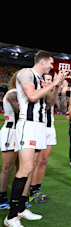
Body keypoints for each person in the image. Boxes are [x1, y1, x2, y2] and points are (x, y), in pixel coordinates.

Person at [4, 51, 66, 227]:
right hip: (28, 125)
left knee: (31, 169)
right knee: (25, 168)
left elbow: (50, 103)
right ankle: (11, 216)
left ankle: (22, 209)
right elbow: (31, 96)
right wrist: (53, 82)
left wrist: (56, 86)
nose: (52, 67)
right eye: (51, 63)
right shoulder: (26, 73)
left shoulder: (41, 79)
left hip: (40, 126)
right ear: (43, 61)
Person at [29, 73, 68, 203]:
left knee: (44, 160)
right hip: (39, 127)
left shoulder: (52, 92)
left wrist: (62, 91)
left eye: (51, 79)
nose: (50, 81)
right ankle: (32, 190)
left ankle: (38, 188)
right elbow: (46, 105)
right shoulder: (38, 91)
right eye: (47, 79)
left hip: (50, 129)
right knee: (37, 161)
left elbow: (62, 108)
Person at [0, 72, 20, 210]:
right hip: (11, 132)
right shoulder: (13, 93)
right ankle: (2, 198)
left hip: (20, 133)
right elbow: (20, 111)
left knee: (20, 168)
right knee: (7, 167)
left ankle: (15, 198)